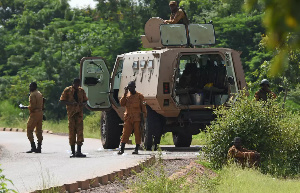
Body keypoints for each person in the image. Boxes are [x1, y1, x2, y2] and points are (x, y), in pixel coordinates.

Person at [60, 78, 88, 158]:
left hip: (79, 114)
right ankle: (73, 152)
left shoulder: (81, 91)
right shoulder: (67, 90)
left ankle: (78, 151)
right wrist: (71, 103)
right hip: (71, 115)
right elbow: (62, 101)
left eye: (78, 84)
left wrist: (83, 104)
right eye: (76, 84)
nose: (77, 85)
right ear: (73, 83)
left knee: (80, 133)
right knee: (72, 133)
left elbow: (86, 100)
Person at [118, 81, 147, 155]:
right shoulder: (126, 96)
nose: (130, 89)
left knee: (138, 133)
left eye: (131, 87)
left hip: (137, 118)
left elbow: (143, 107)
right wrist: (125, 93)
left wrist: (144, 116)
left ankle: (136, 148)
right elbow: (122, 103)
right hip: (128, 118)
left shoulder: (140, 96)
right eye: (129, 87)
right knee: (125, 133)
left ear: (134, 87)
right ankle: (122, 149)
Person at [20, 82, 44, 153]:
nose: (29, 88)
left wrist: (24, 107)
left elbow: (32, 107)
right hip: (40, 113)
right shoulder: (39, 93)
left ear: (34, 87)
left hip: (34, 114)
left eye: (30, 86)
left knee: (29, 129)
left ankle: (33, 147)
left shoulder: (32, 95)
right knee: (39, 130)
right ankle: (39, 147)